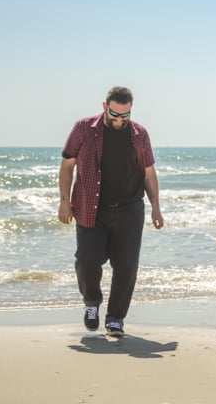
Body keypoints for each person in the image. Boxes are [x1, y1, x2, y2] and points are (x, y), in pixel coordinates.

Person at [57, 86, 164, 338]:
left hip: (130, 209)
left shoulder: (139, 134)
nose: (119, 121)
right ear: (105, 107)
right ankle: (92, 303)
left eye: (125, 116)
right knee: (87, 262)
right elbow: (66, 165)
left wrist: (156, 207)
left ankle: (115, 318)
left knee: (126, 266)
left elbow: (148, 173)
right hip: (90, 207)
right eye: (115, 115)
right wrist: (64, 201)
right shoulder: (83, 128)